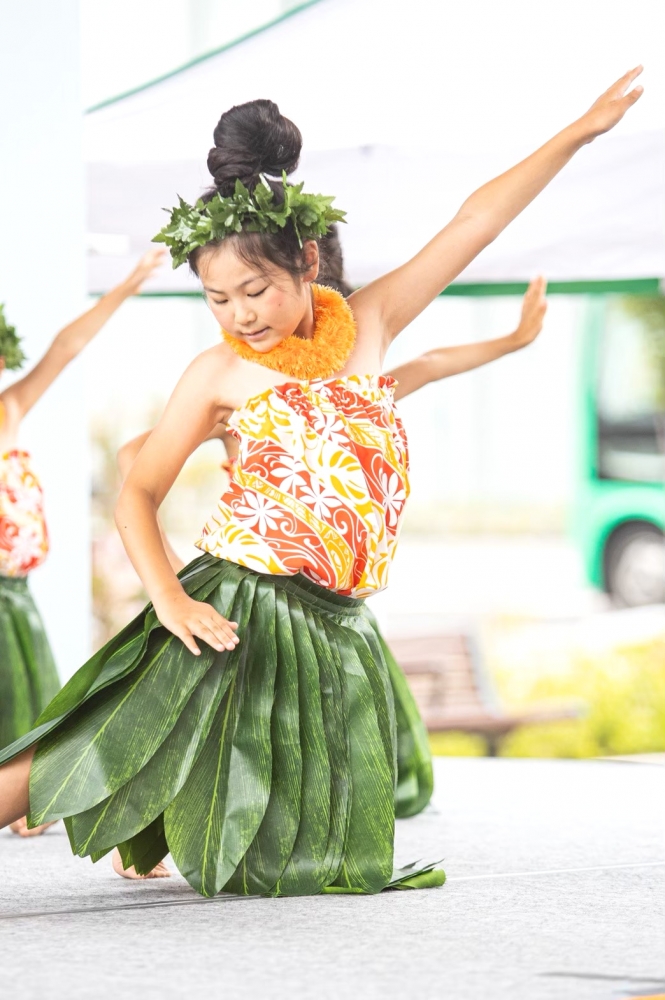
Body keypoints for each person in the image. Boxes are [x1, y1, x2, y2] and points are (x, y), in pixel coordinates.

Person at [0, 69, 642, 897]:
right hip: (236, 599)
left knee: (257, 805)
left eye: (256, 289)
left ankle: (141, 841)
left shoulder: (368, 326)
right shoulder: (219, 372)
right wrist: (169, 598)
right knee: (74, 750)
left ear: (307, 261)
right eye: (216, 297)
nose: (239, 314)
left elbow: (472, 223)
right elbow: (136, 489)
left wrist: (575, 133)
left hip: (329, 618)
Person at [117, 276, 548, 575]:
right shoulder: (255, 403)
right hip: (258, 583)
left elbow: (428, 365)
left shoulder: (351, 406)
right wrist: (174, 577)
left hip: (332, 602)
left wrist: (512, 340)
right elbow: (132, 456)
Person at [0, 249, 164, 836]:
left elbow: (64, 349)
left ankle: (26, 800)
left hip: (16, 592)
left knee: (31, 692)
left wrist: (125, 286)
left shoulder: (9, 409)